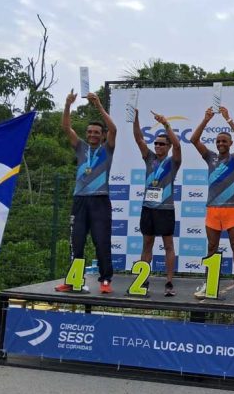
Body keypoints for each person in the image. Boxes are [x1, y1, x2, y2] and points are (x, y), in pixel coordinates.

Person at [55, 90, 117, 294]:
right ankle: (73, 280)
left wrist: (98, 105)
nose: (92, 135)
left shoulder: (107, 149)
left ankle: (105, 280)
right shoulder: (80, 147)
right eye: (89, 132)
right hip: (80, 200)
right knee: (77, 242)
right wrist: (67, 104)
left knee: (101, 241)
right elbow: (66, 127)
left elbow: (114, 129)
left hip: (100, 201)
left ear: (102, 135)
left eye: (96, 132)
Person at [190, 106, 234, 300]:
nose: (221, 143)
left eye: (224, 141)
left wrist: (228, 119)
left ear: (230, 143)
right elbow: (194, 140)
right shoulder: (210, 157)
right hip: (213, 210)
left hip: (232, 210)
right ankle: (209, 284)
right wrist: (206, 119)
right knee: (212, 248)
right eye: (218, 141)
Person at [132, 109, 181, 296]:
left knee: (168, 245)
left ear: (168, 146)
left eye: (162, 144)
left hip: (165, 209)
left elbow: (178, 146)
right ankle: (142, 281)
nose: (158, 146)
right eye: (156, 143)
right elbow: (139, 139)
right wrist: (136, 118)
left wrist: (166, 124)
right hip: (148, 208)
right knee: (147, 245)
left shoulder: (173, 161)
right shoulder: (149, 158)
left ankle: (169, 283)